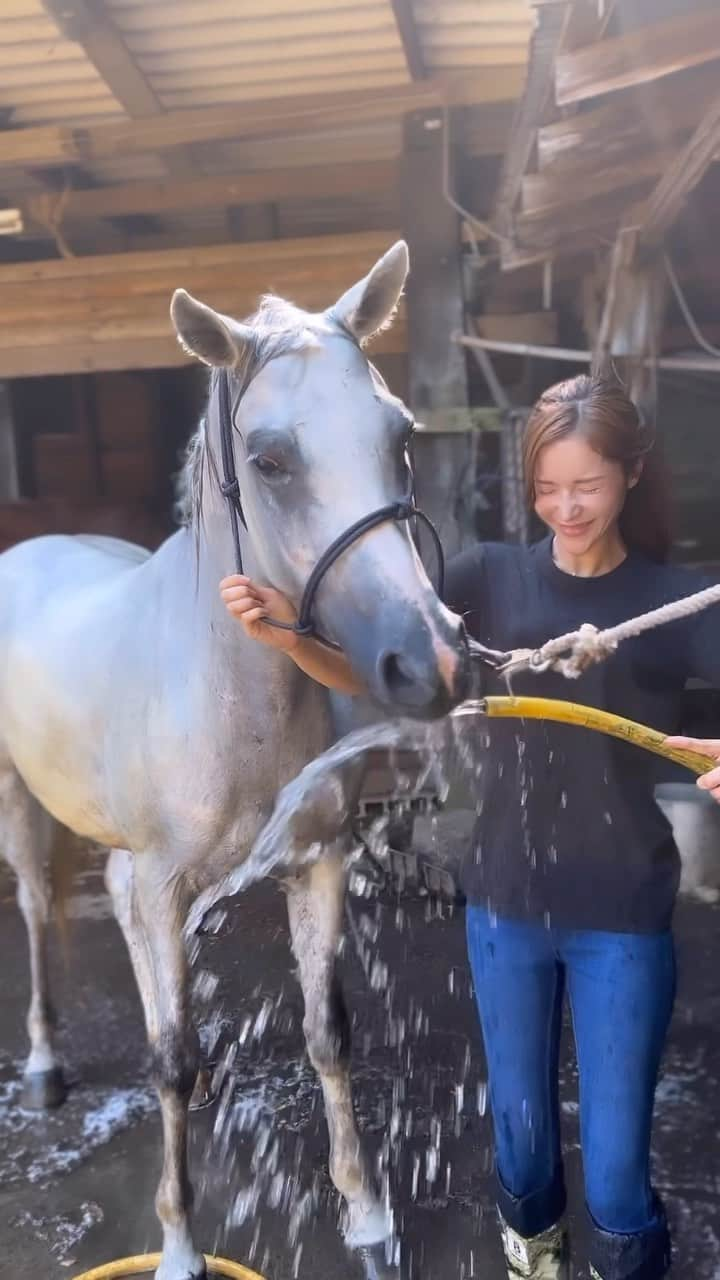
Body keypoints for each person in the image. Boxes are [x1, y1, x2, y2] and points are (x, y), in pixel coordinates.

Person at [219, 373, 720, 1280]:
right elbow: (388, 671)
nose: (567, 507)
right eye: (548, 487)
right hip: (504, 906)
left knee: (615, 1180)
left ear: (633, 475)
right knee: (522, 1153)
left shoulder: (679, 601)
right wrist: (290, 639)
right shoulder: (489, 577)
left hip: (625, 919)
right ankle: (536, 1265)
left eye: (589, 485)